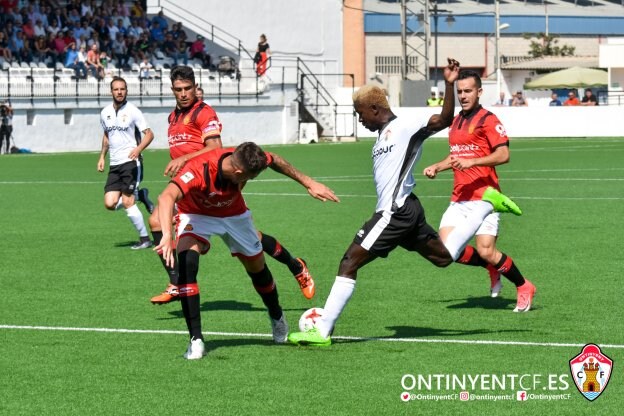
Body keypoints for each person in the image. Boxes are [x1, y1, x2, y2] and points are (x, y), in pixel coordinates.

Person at [287, 58, 464, 346]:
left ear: (374, 109)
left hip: (395, 212)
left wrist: (448, 82)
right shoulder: (380, 138)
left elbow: (443, 120)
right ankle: (486, 241)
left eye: (360, 114)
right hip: (408, 211)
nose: (360, 120)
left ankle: (322, 330)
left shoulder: (406, 125)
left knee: (348, 261)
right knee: (443, 258)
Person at [149, 66, 319, 305]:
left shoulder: (203, 113)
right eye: (179, 89)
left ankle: (296, 265)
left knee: (253, 239)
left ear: (196, 87)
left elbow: (215, 149)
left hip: (214, 183)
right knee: (157, 220)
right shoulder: (173, 116)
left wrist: (182, 159)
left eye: (188, 88)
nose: (184, 93)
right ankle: (177, 282)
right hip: (190, 187)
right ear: (172, 90)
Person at [154, 142, 339, 359]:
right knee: (187, 263)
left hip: (234, 215)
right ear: (239, 172)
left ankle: (277, 315)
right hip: (196, 215)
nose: (249, 181)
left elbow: (275, 159)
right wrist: (167, 235)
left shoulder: (247, 157)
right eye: (249, 178)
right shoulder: (198, 169)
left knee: (257, 268)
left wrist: (309, 183)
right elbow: (166, 197)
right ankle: (196, 340)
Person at [422, 70, 535, 310]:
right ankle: (489, 268)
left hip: (485, 198)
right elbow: (457, 156)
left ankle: (524, 285)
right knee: (446, 251)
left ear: (479, 92)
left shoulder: (489, 120)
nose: (463, 95)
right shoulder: (455, 122)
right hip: (459, 198)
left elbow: (504, 154)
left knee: (486, 250)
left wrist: (473, 162)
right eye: (459, 91)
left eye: (468, 91)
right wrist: (438, 166)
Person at [97, 76, 155, 250]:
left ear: (126, 91)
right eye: (116, 89)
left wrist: (138, 150)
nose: (119, 92)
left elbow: (149, 134)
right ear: (111, 91)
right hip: (114, 164)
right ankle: (141, 196)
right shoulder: (104, 112)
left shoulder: (133, 111)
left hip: (131, 162)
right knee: (109, 203)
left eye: (122, 89)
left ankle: (145, 239)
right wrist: (101, 157)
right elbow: (107, 136)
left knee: (128, 202)